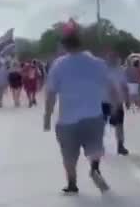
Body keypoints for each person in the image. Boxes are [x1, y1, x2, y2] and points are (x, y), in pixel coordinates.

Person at [43, 26, 119, 194]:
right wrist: (115, 107)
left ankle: (72, 184)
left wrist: (47, 117)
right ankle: (94, 168)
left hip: (68, 119)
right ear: (80, 44)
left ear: (64, 47)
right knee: (95, 147)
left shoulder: (59, 65)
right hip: (93, 114)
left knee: (69, 155)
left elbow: (51, 93)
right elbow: (111, 87)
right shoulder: (97, 63)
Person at [103, 51, 130, 156]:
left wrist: (127, 99)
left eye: (114, 58)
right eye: (110, 58)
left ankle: (120, 145)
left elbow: (124, 86)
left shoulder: (120, 71)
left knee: (119, 125)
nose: (113, 60)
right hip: (103, 101)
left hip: (118, 101)